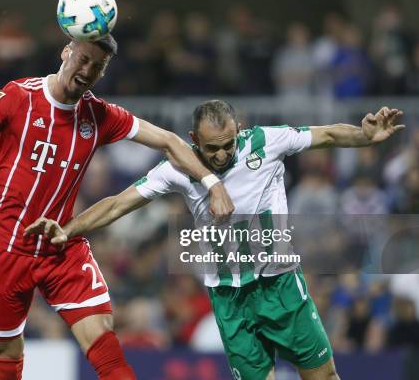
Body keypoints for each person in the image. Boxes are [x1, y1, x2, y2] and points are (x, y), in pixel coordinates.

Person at [27, 100, 405, 380]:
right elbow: (117, 204)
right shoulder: (178, 169)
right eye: (212, 148)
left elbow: (325, 134)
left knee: (323, 377)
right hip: (229, 298)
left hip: (280, 286)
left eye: (228, 144)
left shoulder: (265, 142)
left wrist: (365, 136)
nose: (222, 154)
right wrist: (68, 229)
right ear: (193, 141)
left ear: (238, 129)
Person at [0, 35, 234, 379]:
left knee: (105, 342)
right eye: (83, 59)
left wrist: (212, 182)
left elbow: (168, 141)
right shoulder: (18, 95)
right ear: (65, 52)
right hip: (3, 247)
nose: (87, 71)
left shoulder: (99, 115)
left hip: (61, 243)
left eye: (97, 67)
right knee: (6, 353)